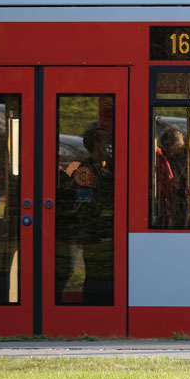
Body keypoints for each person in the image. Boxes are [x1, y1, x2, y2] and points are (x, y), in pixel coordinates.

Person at [65, 127, 115, 305]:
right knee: (96, 276)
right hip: (95, 234)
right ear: (96, 145)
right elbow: (83, 204)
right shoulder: (85, 171)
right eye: (106, 143)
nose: (110, 146)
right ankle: (92, 308)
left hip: (108, 234)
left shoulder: (107, 168)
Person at [156, 127, 190, 227]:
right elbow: (167, 185)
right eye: (173, 150)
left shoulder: (178, 158)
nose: (173, 153)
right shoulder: (161, 158)